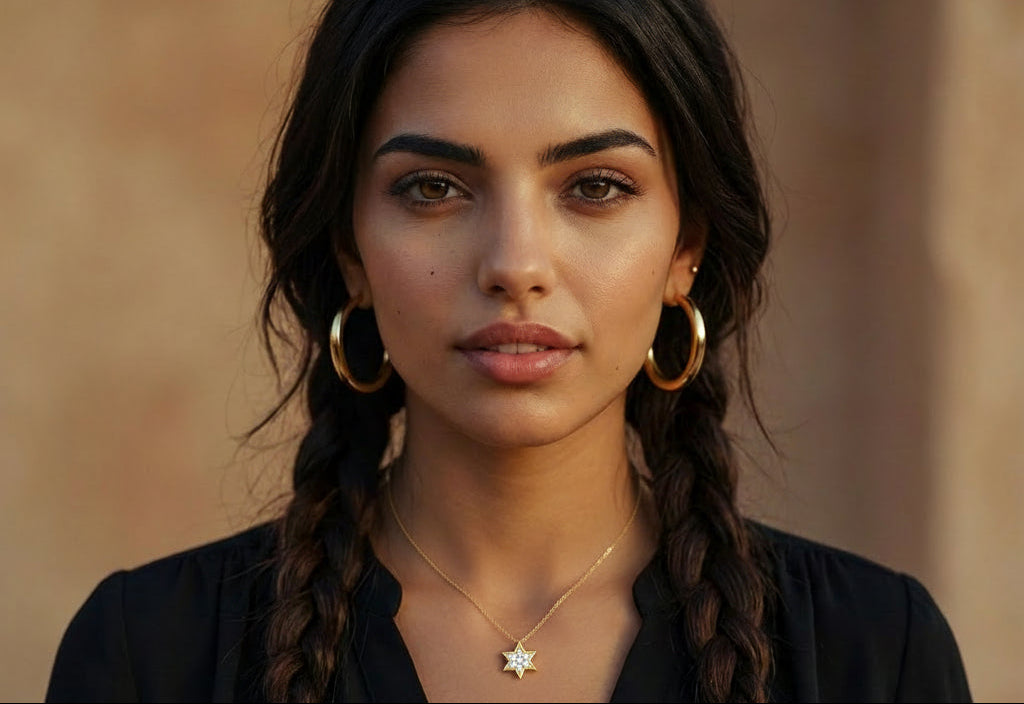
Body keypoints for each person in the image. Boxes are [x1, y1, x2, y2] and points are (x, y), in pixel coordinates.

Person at [46, 1, 971, 702]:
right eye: (435, 187)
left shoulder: (870, 653)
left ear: (685, 249)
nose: (516, 264)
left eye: (597, 186)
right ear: (349, 251)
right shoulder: (150, 653)